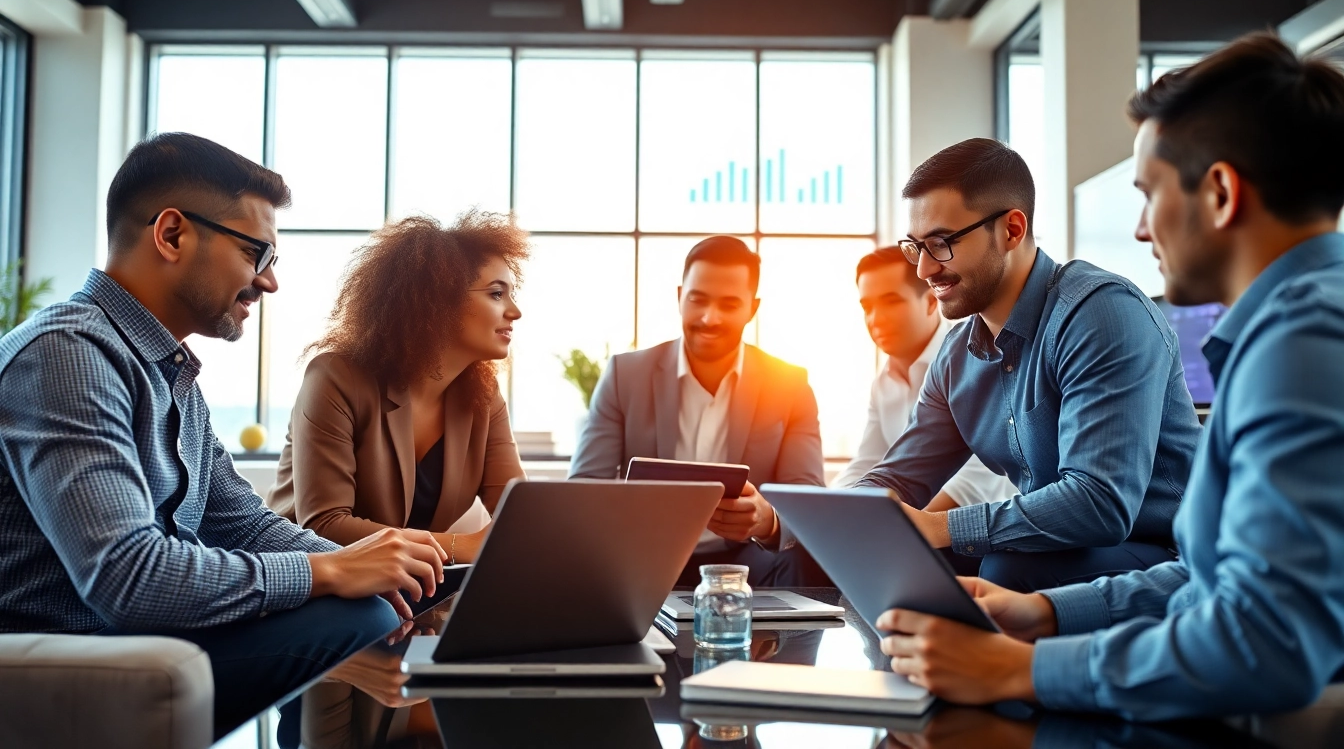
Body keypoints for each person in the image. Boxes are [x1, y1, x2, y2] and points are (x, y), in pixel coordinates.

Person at [875, 33, 1344, 719]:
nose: (1140, 231)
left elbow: (1264, 641)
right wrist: (1046, 615)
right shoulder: (1282, 333)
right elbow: (1205, 579)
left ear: (1218, 193)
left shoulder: (1304, 344)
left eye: (1148, 194)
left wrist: (1028, 671)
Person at [0, 133, 449, 737]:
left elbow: (244, 522)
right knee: (350, 609)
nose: (269, 283)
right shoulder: (69, 354)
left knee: (370, 605)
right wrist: (335, 573)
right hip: (78, 653)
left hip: (134, 641)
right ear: (172, 235)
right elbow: (126, 576)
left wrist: (364, 565)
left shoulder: (168, 371)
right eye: (256, 254)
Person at [853, 137, 1201, 594]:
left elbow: (1099, 504)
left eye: (940, 244)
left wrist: (937, 528)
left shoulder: (1101, 314)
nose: (923, 270)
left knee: (1005, 570)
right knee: (905, 559)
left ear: (1012, 230)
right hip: (1072, 549)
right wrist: (845, 517)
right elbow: (899, 477)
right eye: (915, 247)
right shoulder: (958, 354)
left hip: (1170, 553)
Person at [266, 213, 528, 580]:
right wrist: (458, 546)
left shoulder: (482, 396)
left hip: (406, 587)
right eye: (497, 293)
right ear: (437, 300)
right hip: (308, 581)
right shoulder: (335, 377)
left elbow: (519, 513)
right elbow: (325, 525)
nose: (514, 311)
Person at [569, 235, 828, 587]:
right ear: (680, 298)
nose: (709, 318)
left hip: (747, 560)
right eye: (698, 300)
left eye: (729, 304)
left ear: (752, 308)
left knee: (804, 555)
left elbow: (808, 497)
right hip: (645, 556)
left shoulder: (790, 384)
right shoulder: (625, 375)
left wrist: (767, 520)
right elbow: (585, 488)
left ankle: (786, 644)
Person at [833, 246, 1018, 507]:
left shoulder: (977, 362)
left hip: (983, 535)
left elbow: (976, 482)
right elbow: (868, 462)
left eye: (891, 302)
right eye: (867, 306)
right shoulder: (883, 382)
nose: (875, 319)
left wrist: (902, 536)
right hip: (916, 531)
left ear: (933, 301)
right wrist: (823, 509)